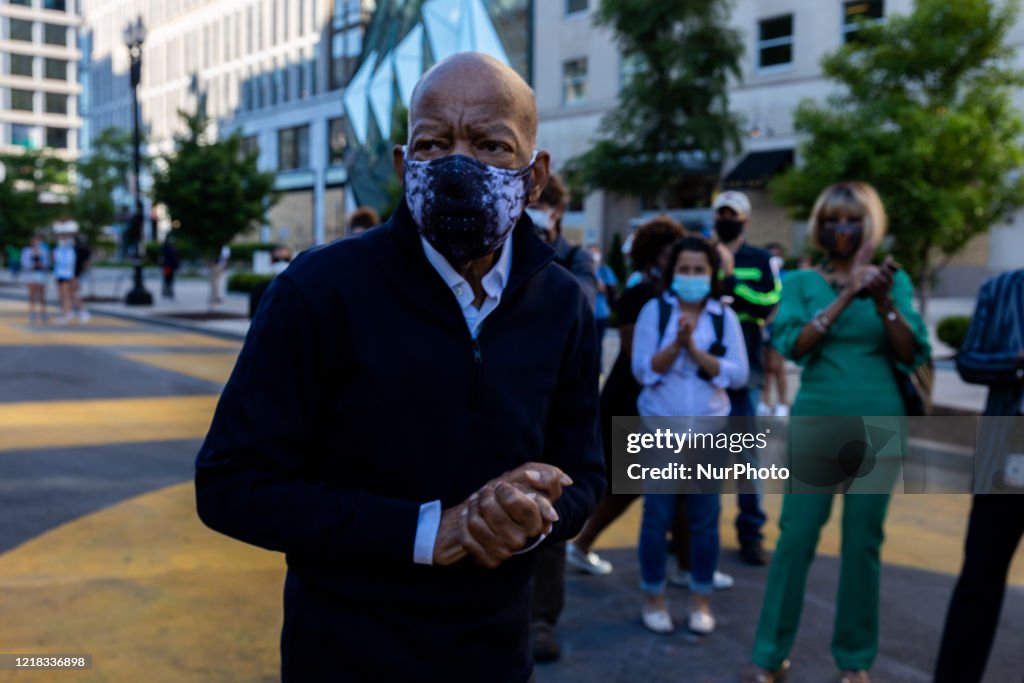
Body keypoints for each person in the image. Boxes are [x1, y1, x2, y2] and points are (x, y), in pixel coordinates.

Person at [195, 52, 604, 683]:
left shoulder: (563, 305)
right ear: (402, 165)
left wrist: (530, 518)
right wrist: (422, 532)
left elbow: (585, 476)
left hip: (494, 655)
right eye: (433, 143)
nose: (459, 165)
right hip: (344, 654)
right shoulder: (318, 292)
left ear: (536, 176)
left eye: (492, 144)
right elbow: (230, 485)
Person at [743, 181, 931, 683]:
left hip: (880, 422)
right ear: (819, 227)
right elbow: (795, 346)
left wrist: (885, 299)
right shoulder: (804, 282)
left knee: (863, 543)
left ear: (870, 225)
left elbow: (913, 351)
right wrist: (849, 294)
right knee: (796, 537)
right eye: (831, 220)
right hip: (818, 419)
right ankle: (769, 655)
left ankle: (855, 662)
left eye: (851, 220)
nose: (840, 230)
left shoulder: (898, 281)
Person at [631, 235, 749, 635]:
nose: (692, 276)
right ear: (672, 272)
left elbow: (738, 374)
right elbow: (643, 370)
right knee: (656, 518)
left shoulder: (723, 317)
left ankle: (700, 598)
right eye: (685, 269)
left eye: (700, 269)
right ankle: (654, 596)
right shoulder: (655, 312)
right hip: (660, 428)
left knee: (704, 520)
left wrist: (696, 353)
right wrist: (677, 343)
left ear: (712, 274)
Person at [567, 217, 684, 575]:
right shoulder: (640, 294)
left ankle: (688, 562)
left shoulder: (671, 295)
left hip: (659, 400)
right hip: (631, 398)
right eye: (666, 253)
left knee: (676, 483)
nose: (671, 260)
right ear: (651, 255)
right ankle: (581, 544)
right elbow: (636, 355)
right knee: (626, 485)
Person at [934, 268, 1024, 683]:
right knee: (980, 577)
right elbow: (969, 361)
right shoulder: (1000, 288)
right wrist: (1017, 363)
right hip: (1004, 438)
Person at [522, 172, 597, 663]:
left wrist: (540, 255)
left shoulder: (571, 260)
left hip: (553, 402)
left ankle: (541, 622)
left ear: (557, 213)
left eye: (544, 204)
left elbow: (582, 304)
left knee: (548, 513)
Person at [713, 190, 780, 566]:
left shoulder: (761, 260)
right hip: (703, 370)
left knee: (745, 457)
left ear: (746, 220)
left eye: (732, 214)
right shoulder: (700, 253)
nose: (726, 219)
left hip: (746, 372)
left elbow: (767, 306)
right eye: (721, 213)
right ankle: (687, 530)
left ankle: (750, 532)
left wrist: (730, 276)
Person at [758, 243, 788, 416]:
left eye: (778, 255)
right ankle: (765, 401)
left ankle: (783, 402)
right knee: (765, 367)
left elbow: (780, 301)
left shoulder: (785, 277)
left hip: (776, 327)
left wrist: (768, 320)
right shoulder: (762, 275)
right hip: (762, 327)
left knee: (777, 366)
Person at [590, 243, 618, 367]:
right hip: (587, 313)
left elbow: (608, 289)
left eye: (595, 252)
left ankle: (598, 370)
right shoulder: (581, 268)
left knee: (598, 344)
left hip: (600, 313)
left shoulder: (604, 270)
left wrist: (595, 274)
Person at [21, 235, 51, 325]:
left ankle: (43, 312)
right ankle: (32, 312)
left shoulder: (44, 251)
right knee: (32, 295)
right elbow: (24, 263)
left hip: (41, 275)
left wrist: (42, 264)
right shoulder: (27, 251)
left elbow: (47, 263)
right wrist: (32, 265)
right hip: (31, 275)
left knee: (42, 295)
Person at [52, 233, 77, 324]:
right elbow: (56, 263)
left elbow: (68, 263)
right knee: (61, 296)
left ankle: (67, 313)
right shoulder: (58, 250)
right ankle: (65, 312)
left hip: (67, 275)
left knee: (66, 296)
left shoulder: (70, 251)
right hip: (59, 275)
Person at [71, 233, 91, 322]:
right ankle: (78, 311)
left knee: (74, 293)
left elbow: (85, 263)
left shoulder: (77, 249)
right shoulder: (81, 248)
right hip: (74, 273)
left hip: (74, 274)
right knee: (73, 292)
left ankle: (82, 310)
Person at [160, 235, 180, 300]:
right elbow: (162, 257)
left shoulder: (172, 247)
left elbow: (176, 258)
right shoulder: (166, 247)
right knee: (167, 278)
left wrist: (177, 266)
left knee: (170, 278)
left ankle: (169, 292)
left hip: (171, 266)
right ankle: (166, 292)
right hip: (167, 266)